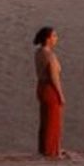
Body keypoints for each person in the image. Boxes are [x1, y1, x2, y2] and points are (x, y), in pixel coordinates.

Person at [34, 26, 64, 158]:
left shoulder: (38, 53)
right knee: (53, 120)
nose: (56, 39)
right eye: (54, 36)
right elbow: (54, 77)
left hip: (40, 86)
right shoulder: (49, 55)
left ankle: (43, 148)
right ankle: (51, 150)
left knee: (44, 119)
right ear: (48, 39)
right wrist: (61, 94)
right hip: (50, 88)